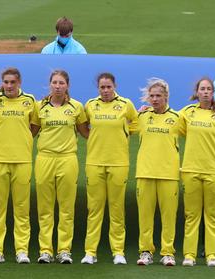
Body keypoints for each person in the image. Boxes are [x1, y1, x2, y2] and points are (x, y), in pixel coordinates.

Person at [0, 68, 38, 264]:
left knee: (21, 209)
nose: (9, 86)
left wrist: (23, 139)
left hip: (22, 160)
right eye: (6, 82)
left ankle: (21, 250)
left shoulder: (30, 100)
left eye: (13, 82)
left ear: (19, 82)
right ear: (2, 83)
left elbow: (35, 124)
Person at [32, 70, 89, 264]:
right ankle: (45, 250)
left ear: (67, 86)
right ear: (50, 85)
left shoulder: (76, 107)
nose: (58, 86)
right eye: (54, 82)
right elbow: (30, 132)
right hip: (45, 159)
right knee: (45, 208)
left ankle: (64, 250)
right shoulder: (39, 106)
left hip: (67, 159)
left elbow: (86, 133)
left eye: (61, 83)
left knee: (66, 208)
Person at [81, 73, 138, 265]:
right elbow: (82, 125)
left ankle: (118, 251)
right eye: (102, 87)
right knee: (94, 209)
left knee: (116, 209)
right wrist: (94, 138)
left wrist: (123, 134)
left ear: (114, 86)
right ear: (98, 88)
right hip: (95, 162)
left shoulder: (125, 104)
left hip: (118, 163)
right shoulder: (90, 105)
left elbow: (136, 123)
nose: (105, 91)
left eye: (108, 87)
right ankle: (90, 252)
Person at [178, 78, 215, 267]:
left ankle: (212, 255)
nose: (205, 92)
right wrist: (146, 110)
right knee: (191, 215)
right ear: (197, 92)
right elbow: (171, 122)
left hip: (214, 172)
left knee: (213, 215)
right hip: (191, 170)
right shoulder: (188, 112)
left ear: (213, 92)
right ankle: (189, 255)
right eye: (202, 89)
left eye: (208, 89)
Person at [133, 78, 180, 266]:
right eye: (151, 96)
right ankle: (145, 251)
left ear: (166, 96)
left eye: (158, 96)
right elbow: (123, 128)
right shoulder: (142, 117)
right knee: (145, 216)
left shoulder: (178, 118)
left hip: (169, 174)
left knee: (169, 216)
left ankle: (168, 252)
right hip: (145, 172)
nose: (154, 99)